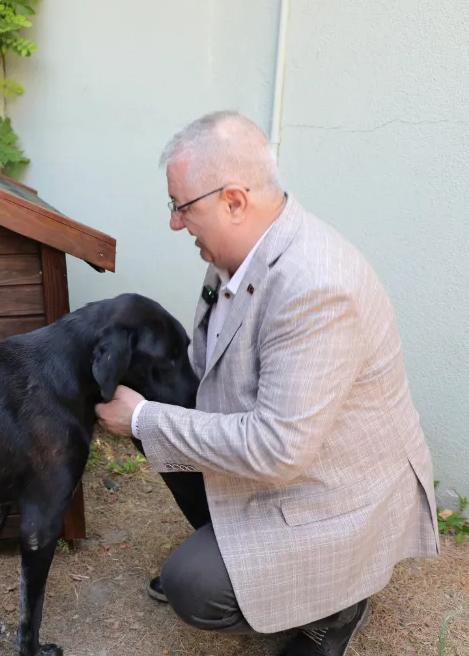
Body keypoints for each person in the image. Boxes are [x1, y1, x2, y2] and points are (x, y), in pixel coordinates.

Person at [94, 110, 441, 656]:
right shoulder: (239, 252)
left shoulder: (317, 287)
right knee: (165, 406)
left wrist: (141, 420)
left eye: (183, 207)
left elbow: (278, 450)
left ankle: (335, 607)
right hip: (286, 454)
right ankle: (239, 547)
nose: (174, 224)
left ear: (234, 200)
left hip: (332, 491)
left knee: (194, 586)